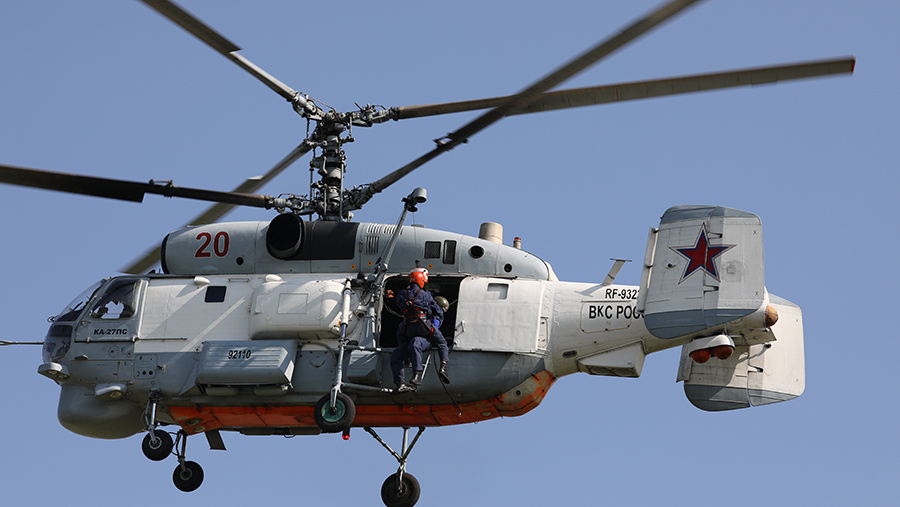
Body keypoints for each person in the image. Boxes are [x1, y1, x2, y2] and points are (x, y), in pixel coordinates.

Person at [390, 268, 451, 393]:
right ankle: (443, 367)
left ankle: (400, 382)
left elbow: (397, 304)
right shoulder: (425, 295)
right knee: (442, 342)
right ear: (422, 281)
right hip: (423, 326)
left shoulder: (402, 294)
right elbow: (437, 310)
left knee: (397, 352)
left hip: (407, 327)